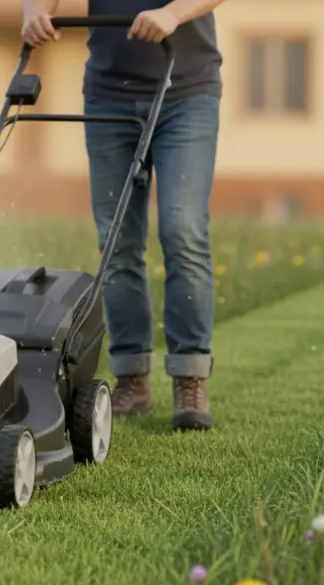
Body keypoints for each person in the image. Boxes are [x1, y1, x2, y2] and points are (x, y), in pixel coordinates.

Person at [21, 0, 228, 431]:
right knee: (117, 243)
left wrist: (172, 14)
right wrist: (34, 10)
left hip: (187, 92)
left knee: (183, 229)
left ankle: (190, 377)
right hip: (108, 96)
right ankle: (132, 379)